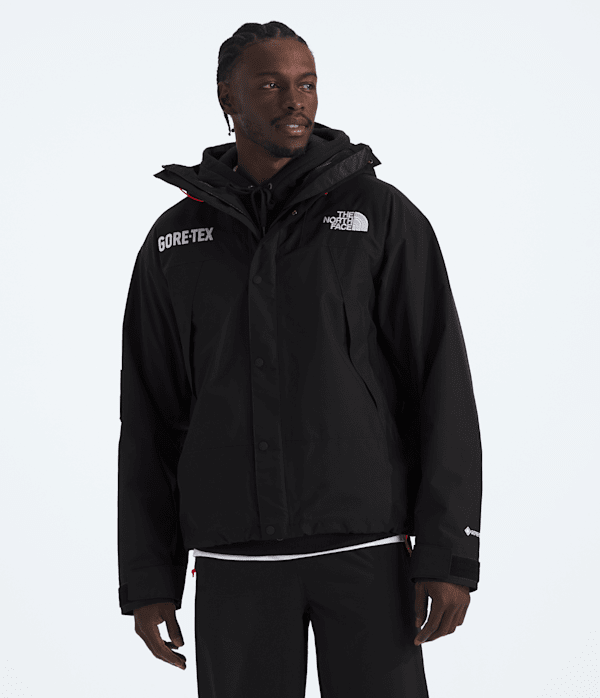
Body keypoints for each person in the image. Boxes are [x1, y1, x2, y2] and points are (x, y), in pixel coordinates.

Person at [118, 20, 482, 698]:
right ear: (228, 98)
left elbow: (441, 383)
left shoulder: (380, 216)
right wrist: (148, 577)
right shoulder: (175, 239)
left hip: (366, 553)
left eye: (307, 84)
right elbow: (149, 416)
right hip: (235, 561)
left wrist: (449, 553)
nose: (296, 102)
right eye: (271, 85)